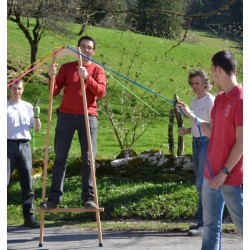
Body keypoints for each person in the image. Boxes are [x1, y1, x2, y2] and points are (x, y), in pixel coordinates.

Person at [176, 50, 243, 250]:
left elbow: (242, 142)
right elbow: (211, 131)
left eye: (212, 70)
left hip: (231, 178)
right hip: (210, 175)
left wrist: (224, 173)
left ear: (218, 69)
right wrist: (190, 115)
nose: (211, 75)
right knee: (210, 226)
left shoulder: (241, 100)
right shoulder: (220, 98)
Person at [40, 36, 107, 209]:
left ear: (94, 51)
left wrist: (86, 77)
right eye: (82, 47)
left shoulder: (98, 70)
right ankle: (54, 199)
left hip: (88, 116)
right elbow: (53, 93)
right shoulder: (66, 67)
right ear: (77, 49)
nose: (86, 50)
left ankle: (88, 198)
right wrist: (51, 76)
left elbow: (100, 92)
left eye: (89, 47)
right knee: (60, 157)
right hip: (66, 116)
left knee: (88, 159)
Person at [178, 70, 215, 236]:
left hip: (206, 144)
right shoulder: (193, 102)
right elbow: (196, 124)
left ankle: (204, 225)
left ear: (205, 83)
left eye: (197, 83)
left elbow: (211, 126)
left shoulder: (210, 100)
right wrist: (186, 130)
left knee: (202, 185)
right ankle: (203, 222)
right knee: (200, 185)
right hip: (195, 143)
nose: (194, 87)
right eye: (192, 84)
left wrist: (190, 114)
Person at [7, 79, 41, 228]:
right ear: (9, 89)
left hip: (25, 145)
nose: (17, 91)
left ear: (23, 90)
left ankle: (29, 217)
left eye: (19, 89)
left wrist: (37, 115)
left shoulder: (27, 106)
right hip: (7, 145)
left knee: (27, 182)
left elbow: (37, 129)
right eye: (14, 89)